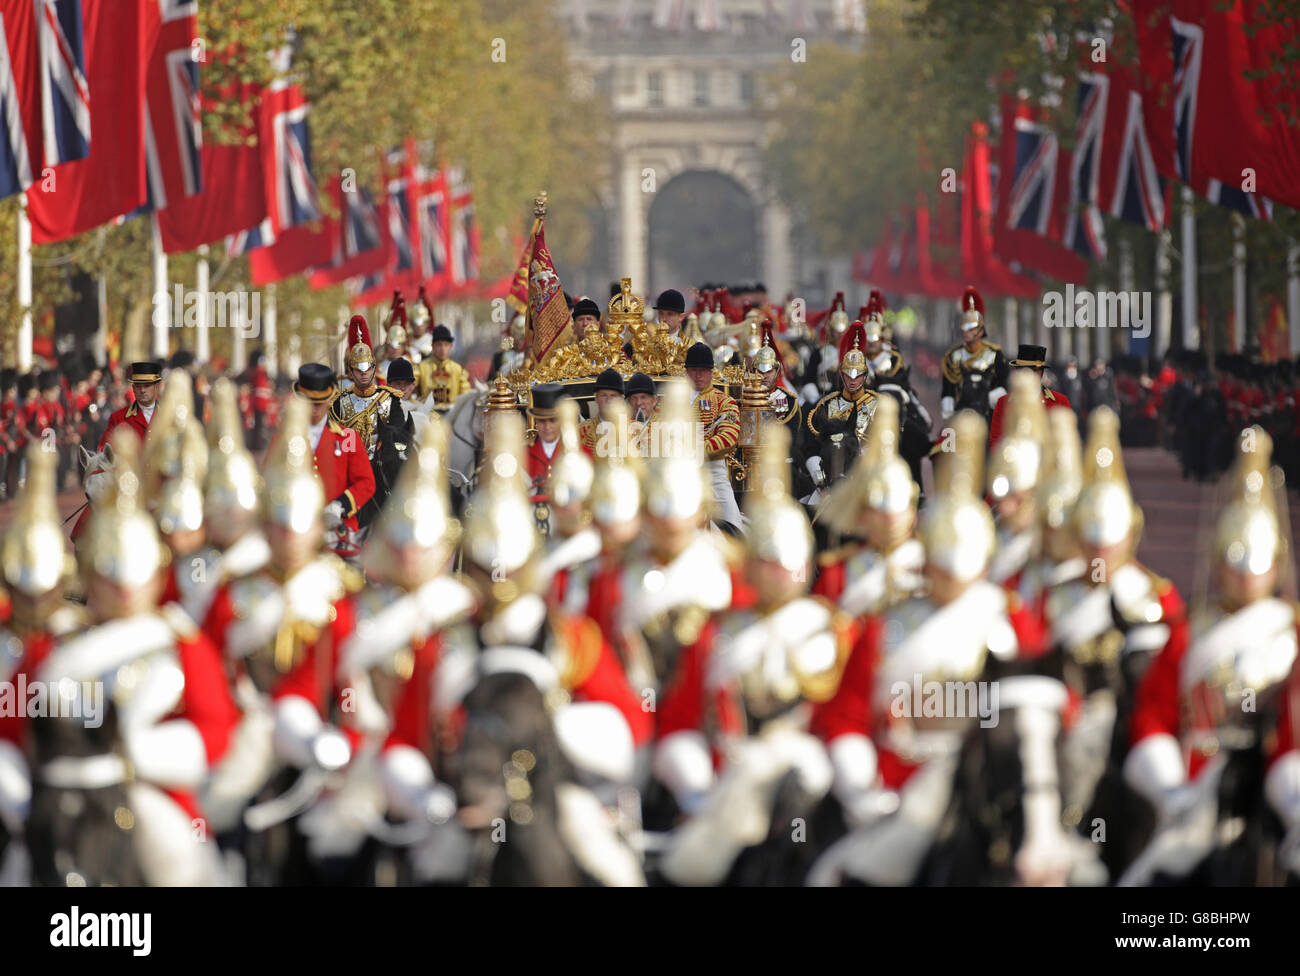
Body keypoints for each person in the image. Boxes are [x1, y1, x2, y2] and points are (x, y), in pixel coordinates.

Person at [299, 363, 377, 559]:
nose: (315, 409)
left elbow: (366, 482)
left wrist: (340, 506)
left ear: (329, 400)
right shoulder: (285, 440)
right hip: (297, 533)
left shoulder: (347, 438)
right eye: (309, 403)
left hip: (338, 532)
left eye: (319, 402)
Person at [806, 322, 879, 492]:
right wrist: (819, 477)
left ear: (865, 375)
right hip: (830, 478)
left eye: (858, 375)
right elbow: (811, 446)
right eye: (848, 375)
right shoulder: (826, 404)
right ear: (841, 374)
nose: (853, 380)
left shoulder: (879, 405)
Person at [683, 342, 742, 534]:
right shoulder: (670, 401)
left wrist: (696, 450)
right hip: (678, 469)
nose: (698, 375)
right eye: (694, 370)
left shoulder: (725, 401)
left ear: (711, 372)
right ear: (686, 372)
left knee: (733, 527)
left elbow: (729, 436)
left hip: (712, 472)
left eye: (703, 370)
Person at [330, 315, 400, 460]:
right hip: (352, 462)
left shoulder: (389, 399)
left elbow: (399, 438)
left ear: (374, 368)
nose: (363, 374)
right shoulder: (339, 403)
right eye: (358, 370)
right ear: (351, 371)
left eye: (367, 369)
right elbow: (335, 441)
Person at [940, 286, 1008, 425]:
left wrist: (985, 399)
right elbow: (948, 390)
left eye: (971, 329)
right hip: (959, 413)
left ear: (981, 331)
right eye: (965, 329)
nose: (967, 332)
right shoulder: (953, 356)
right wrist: (948, 415)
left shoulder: (994, 354)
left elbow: (1004, 385)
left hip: (988, 412)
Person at [988, 344, 1072, 445]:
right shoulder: (1003, 402)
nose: (1026, 375)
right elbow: (995, 443)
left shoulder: (1059, 401)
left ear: (1041, 372)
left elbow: (1067, 441)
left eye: (1032, 370)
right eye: (1022, 370)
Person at [417, 324, 472, 412]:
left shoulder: (458, 369)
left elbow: (466, 396)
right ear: (433, 346)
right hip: (428, 415)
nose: (443, 349)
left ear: (450, 346)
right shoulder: (421, 368)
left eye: (446, 345)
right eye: (439, 345)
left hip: (452, 416)